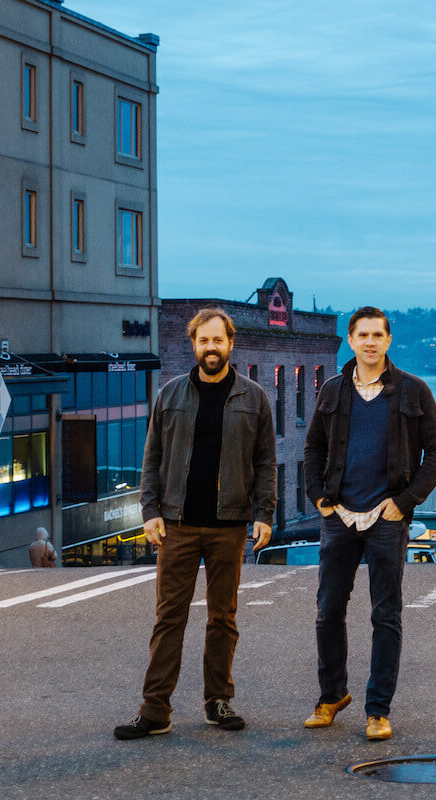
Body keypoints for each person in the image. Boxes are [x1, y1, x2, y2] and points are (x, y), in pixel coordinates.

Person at [115, 307, 276, 741]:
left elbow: (265, 463)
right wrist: (149, 512)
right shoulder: (170, 395)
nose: (210, 348)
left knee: (223, 617)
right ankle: (155, 711)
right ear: (193, 344)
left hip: (229, 525)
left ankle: (218, 702)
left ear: (230, 342)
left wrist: (265, 514)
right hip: (177, 524)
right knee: (169, 618)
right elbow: (152, 460)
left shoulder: (254, 398)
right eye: (203, 341)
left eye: (217, 340)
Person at [302, 306, 436, 741]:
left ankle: (378, 710)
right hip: (339, 517)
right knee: (328, 610)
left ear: (388, 341)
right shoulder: (332, 390)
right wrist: (320, 500)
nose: (370, 342)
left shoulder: (413, 391)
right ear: (351, 339)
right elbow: (312, 450)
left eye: (377, 335)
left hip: (386, 519)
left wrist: (404, 503)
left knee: (386, 615)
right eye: (362, 334)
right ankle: (331, 698)